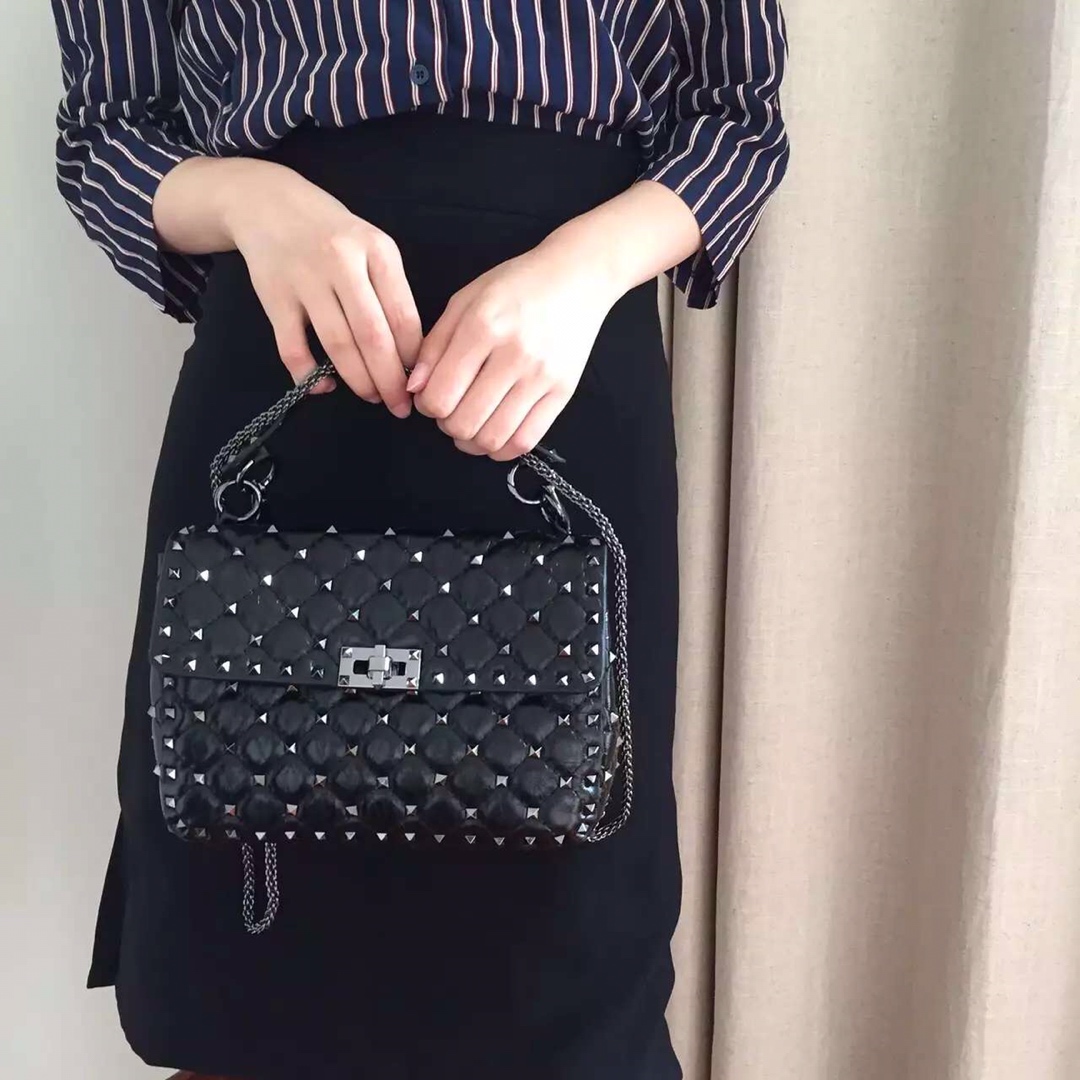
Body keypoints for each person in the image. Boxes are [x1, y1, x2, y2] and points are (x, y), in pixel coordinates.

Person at [48, 3, 790, 1078]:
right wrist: (256, 201)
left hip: (556, 371)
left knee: (568, 960)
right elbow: (108, 134)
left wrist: (583, 271)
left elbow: (736, 124)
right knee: (247, 954)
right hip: (289, 358)